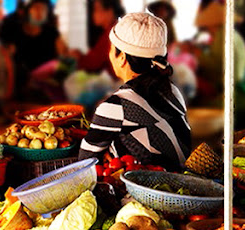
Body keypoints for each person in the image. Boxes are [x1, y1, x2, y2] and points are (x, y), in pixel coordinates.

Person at [78, 13, 191, 171]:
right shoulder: (173, 90)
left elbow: (84, 162)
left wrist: (106, 156)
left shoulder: (116, 106)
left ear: (122, 57)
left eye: (111, 49)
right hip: (181, 182)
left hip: (148, 191)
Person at [70, 0, 124, 78]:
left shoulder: (112, 34)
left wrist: (78, 58)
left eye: (96, 9)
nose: (93, 14)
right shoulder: (112, 29)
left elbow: (92, 63)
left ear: (109, 11)